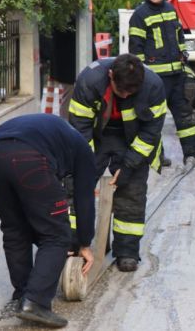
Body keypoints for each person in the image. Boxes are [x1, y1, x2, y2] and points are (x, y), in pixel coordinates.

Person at [0, 114, 96, 328]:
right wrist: (84, 242)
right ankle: (35, 302)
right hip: (28, 157)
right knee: (57, 235)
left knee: (14, 228)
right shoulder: (85, 152)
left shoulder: (58, 134)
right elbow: (84, 198)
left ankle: (23, 294)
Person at [68, 54, 165, 273]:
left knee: (132, 192)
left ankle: (127, 251)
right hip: (96, 135)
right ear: (110, 75)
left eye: (132, 92)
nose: (127, 95)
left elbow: (151, 132)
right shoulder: (89, 80)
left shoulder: (154, 86)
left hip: (132, 139)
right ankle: (72, 244)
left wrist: (129, 165)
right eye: (122, 91)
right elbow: (79, 127)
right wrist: (85, 163)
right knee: (75, 186)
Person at [128, 0, 195, 166]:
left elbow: (180, 35)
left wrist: (183, 52)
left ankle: (193, 153)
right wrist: (142, 77)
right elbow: (135, 49)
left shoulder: (171, 10)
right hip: (155, 79)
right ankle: (156, 157)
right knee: (154, 119)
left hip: (176, 76)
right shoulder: (140, 15)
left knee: (185, 115)